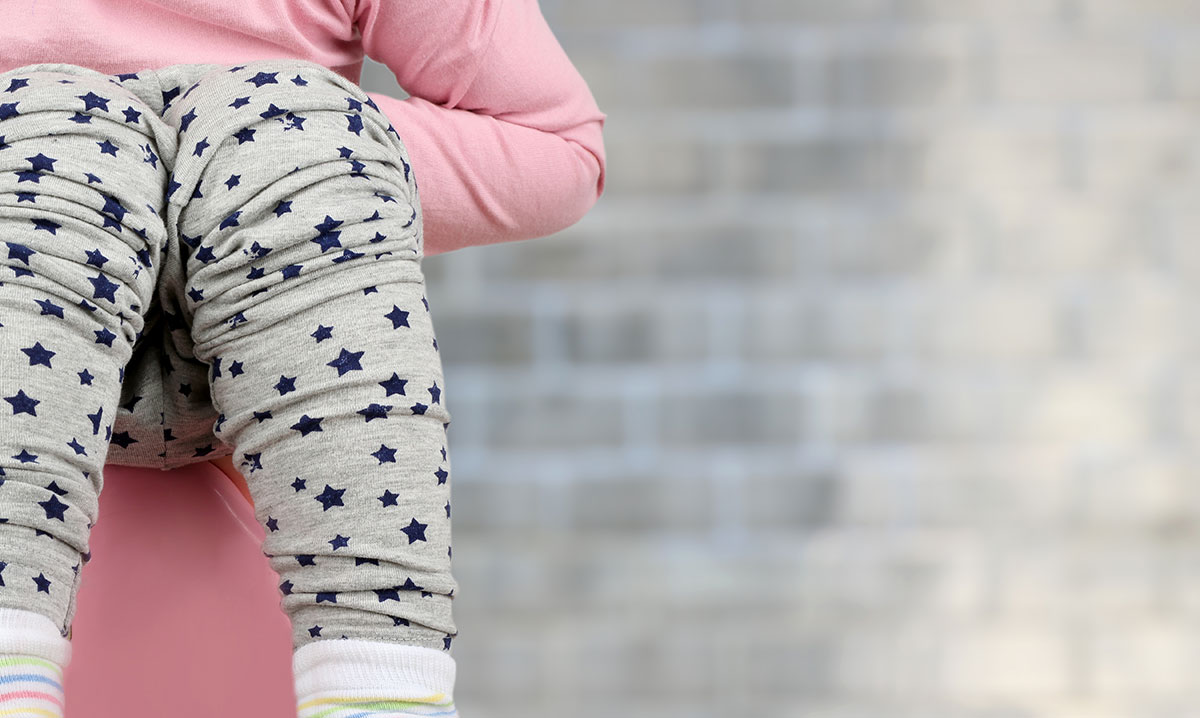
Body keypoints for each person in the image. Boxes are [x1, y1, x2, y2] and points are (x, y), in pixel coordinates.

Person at [0, 1, 607, 716]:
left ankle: (380, 687)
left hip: (278, 311)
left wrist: (288, 143)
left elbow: (557, 145)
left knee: (283, 131)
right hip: (33, 277)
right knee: (57, 134)